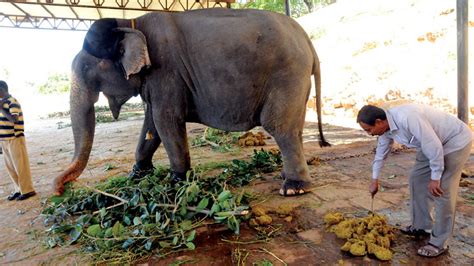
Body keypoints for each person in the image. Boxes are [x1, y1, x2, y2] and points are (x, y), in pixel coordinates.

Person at [357, 103, 472, 258]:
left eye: (369, 130)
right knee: (416, 179)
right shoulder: (384, 130)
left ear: (379, 122)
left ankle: (439, 242)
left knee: (442, 190)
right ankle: (422, 226)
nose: (369, 134)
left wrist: (435, 178)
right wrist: (374, 179)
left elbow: (434, 146)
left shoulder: (408, 117)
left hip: (454, 141)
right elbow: (380, 154)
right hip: (430, 144)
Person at [0, 80, 36, 201]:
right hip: (4, 139)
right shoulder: (2, 103)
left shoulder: (12, 102)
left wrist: (1, 109)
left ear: (1, 89)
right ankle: (18, 189)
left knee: (20, 166)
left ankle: (28, 190)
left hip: (15, 138)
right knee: (11, 167)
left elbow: (14, 119)